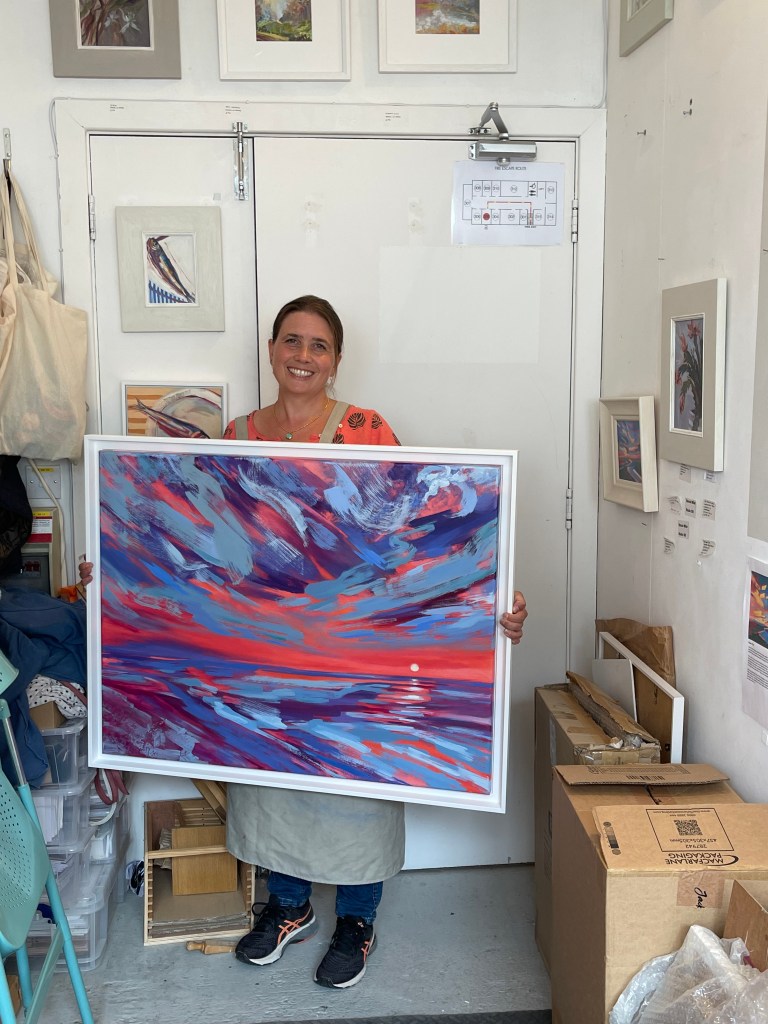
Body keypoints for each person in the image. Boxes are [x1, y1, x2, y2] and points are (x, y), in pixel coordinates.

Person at [80, 294, 528, 990]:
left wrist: (488, 607)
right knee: (273, 782)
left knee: (360, 785)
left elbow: (415, 544)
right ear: (271, 349)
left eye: (319, 345)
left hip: (355, 659)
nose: (303, 356)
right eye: (292, 340)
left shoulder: (368, 431)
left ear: (337, 359)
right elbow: (202, 550)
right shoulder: (237, 435)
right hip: (263, 661)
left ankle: (356, 920)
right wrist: (112, 572)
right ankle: (288, 907)